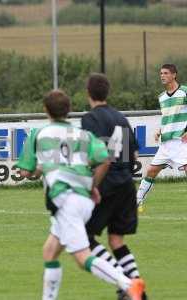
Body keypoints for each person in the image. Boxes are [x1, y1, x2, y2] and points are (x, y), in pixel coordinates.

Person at [15, 89, 145, 300]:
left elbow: (25, 172)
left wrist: (38, 169)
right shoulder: (83, 135)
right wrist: (93, 185)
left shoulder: (38, 134)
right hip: (83, 198)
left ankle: (129, 284)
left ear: (46, 110)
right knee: (50, 251)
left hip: (65, 199)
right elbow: (104, 158)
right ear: (69, 110)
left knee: (82, 257)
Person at [81, 73, 147, 300]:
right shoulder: (121, 117)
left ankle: (126, 284)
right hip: (127, 184)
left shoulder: (90, 119)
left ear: (88, 93)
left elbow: (99, 157)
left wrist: (92, 186)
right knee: (116, 240)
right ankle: (139, 291)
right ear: (107, 92)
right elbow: (135, 155)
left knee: (84, 237)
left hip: (106, 183)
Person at [137, 64, 187, 210]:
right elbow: (168, 117)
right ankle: (137, 201)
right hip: (166, 143)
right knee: (151, 171)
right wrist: (160, 130)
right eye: (161, 73)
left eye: (165, 73)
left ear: (174, 75)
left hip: (181, 142)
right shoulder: (162, 97)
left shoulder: (184, 92)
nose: (162, 76)